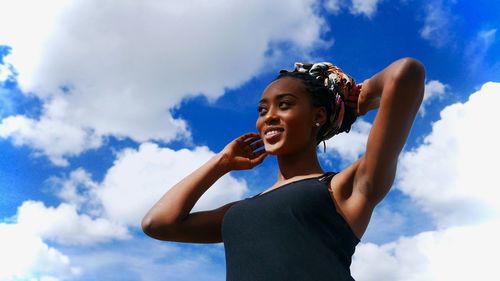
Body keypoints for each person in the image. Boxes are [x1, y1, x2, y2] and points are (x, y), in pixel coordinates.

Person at [142, 57, 425, 280]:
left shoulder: (344, 188)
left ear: (318, 116)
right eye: (262, 110)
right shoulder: (238, 212)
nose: (269, 117)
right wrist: (220, 164)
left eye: (285, 105)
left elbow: (406, 73)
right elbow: (158, 224)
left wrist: (359, 99)